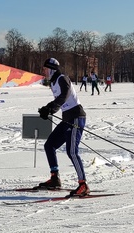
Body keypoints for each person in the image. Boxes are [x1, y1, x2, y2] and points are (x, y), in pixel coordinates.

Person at [37, 57, 90, 197]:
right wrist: (47, 109)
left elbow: (64, 96)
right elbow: (58, 99)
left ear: (51, 69)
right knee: (50, 145)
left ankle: (83, 184)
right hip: (67, 118)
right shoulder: (53, 82)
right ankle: (55, 178)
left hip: (76, 117)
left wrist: (51, 108)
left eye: (45, 69)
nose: (44, 71)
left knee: (72, 151)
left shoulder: (61, 78)